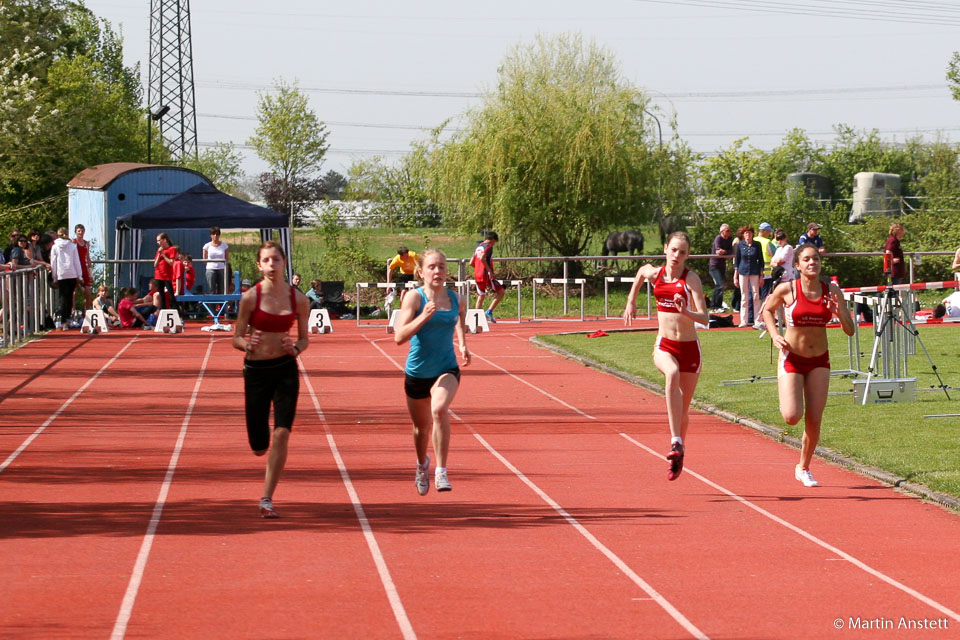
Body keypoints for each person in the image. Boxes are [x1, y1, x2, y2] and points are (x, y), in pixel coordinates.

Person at [760, 243, 856, 488]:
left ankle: (803, 467)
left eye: (815, 259)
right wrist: (774, 335)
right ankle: (785, 390)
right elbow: (767, 312)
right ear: (798, 265)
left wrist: (839, 313)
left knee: (814, 419)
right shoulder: (787, 289)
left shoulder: (831, 290)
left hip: (819, 360)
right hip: (793, 358)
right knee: (792, 417)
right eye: (806, 260)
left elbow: (850, 330)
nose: (812, 263)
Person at [232, 241, 309, 518]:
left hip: (285, 369)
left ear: (284, 262)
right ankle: (260, 449)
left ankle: (267, 497)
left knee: (282, 433)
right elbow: (236, 338)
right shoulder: (250, 298)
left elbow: (304, 338)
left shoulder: (298, 299)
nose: (272, 265)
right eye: (266, 261)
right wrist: (247, 344)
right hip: (256, 372)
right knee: (259, 446)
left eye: (276, 260)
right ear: (259, 265)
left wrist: (296, 349)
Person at [623, 232, 709, 481]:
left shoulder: (691, 279)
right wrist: (631, 301)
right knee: (670, 373)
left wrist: (687, 311)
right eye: (673, 250)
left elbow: (704, 318)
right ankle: (674, 441)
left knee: (683, 412)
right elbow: (640, 272)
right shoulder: (656, 273)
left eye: (682, 252)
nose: (676, 256)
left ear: (687, 255)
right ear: (665, 249)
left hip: (690, 349)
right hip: (665, 345)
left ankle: (679, 450)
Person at [394, 249, 470, 495]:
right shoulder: (414, 299)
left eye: (441, 267)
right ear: (421, 272)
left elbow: (457, 319)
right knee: (421, 428)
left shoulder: (457, 298)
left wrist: (463, 344)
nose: (437, 271)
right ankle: (421, 464)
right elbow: (399, 337)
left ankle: (441, 471)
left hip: (446, 368)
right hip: (417, 372)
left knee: (439, 409)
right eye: (432, 267)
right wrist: (423, 318)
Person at [50, 227, 82, 330]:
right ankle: (67, 319)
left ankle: (64, 320)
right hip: (71, 273)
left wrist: (54, 277)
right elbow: (76, 261)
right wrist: (79, 275)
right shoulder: (72, 246)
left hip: (61, 274)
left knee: (63, 297)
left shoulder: (55, 247)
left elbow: (53, 263)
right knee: (69, 298)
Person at [471, 231, 505, 323]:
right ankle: (489, 311)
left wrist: (478, 267)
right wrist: (489, 271)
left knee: (481, 295)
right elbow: (482, 257)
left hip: (477, 274)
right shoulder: (488, 246)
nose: (494, 244)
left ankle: (475, 320)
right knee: (501, 292)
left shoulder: (477, 247)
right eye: (494, 242)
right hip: (486, 274)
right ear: (493, 240)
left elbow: (471, 262)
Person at [734, 225, 763, 327]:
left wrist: (761, 275)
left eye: (749, 233)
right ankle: (743, 320)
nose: (748, 235)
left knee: (756, 296)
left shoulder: (757, 245)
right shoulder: (740, 245)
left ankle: (758, 320)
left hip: (754, 272)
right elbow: (737, 261)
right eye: (746, 233)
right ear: (743, 235)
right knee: (744, 296)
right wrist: (735, 276)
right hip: (743, 272)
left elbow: (761, 260)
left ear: (752, 234)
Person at [708, 223, 733, 310]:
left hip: (722, 265)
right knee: (719, 284)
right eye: (727, 231)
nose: (729, 232)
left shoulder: (729, 239)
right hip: (714, 266)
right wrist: (722, 251)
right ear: (722, 231)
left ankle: (718, 304)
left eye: (730, 230)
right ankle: (714, 305)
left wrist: (724, 251)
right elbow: (718, 250)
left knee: (721, 285)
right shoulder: (718, 238)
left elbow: (730, 251)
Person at [203, 227, 230, 295]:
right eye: (213, 234)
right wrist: (211, 264)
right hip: (210, 269)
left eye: (217, 234)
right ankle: (212, 305)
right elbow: (204, 259)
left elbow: (227, 259)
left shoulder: (224, 245)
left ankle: (222, 305)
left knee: (222, 289)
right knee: (212, 289)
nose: (215, 236)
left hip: (221, 269)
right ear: (211, 235)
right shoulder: (206, 246)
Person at [153, 233, 177, 309]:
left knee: (171, 295)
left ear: (164, 240)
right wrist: (159, 255)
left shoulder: (172, 249)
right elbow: (155, 264)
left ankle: (177, 313)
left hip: (167, 276)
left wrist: (163, 254)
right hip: (159, 275)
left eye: (159, 240)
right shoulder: (159, 250)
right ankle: (163, 311)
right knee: (161, 295)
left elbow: (171, 263)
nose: (158, 242)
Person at [73, 223, 94, 310]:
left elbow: (88, 258)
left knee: (88, 292)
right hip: (75, 268)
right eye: (79, 231)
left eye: (82, 231)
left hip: (84, 268)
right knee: (74, 292)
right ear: (75, 232)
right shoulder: (73, 242)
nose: (80, 232)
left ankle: (87, 311)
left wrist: (91, 273)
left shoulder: (86, 243)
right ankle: (72, 311)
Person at [756, 222, 776, 300]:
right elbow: (775, 254)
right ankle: (765, 311)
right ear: (764, 231)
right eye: (769, 232)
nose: (769, 234)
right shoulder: (767, 242)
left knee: (755, 295)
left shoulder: (753, 240)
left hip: (754, 272)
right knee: (766, 296)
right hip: (766, 273)